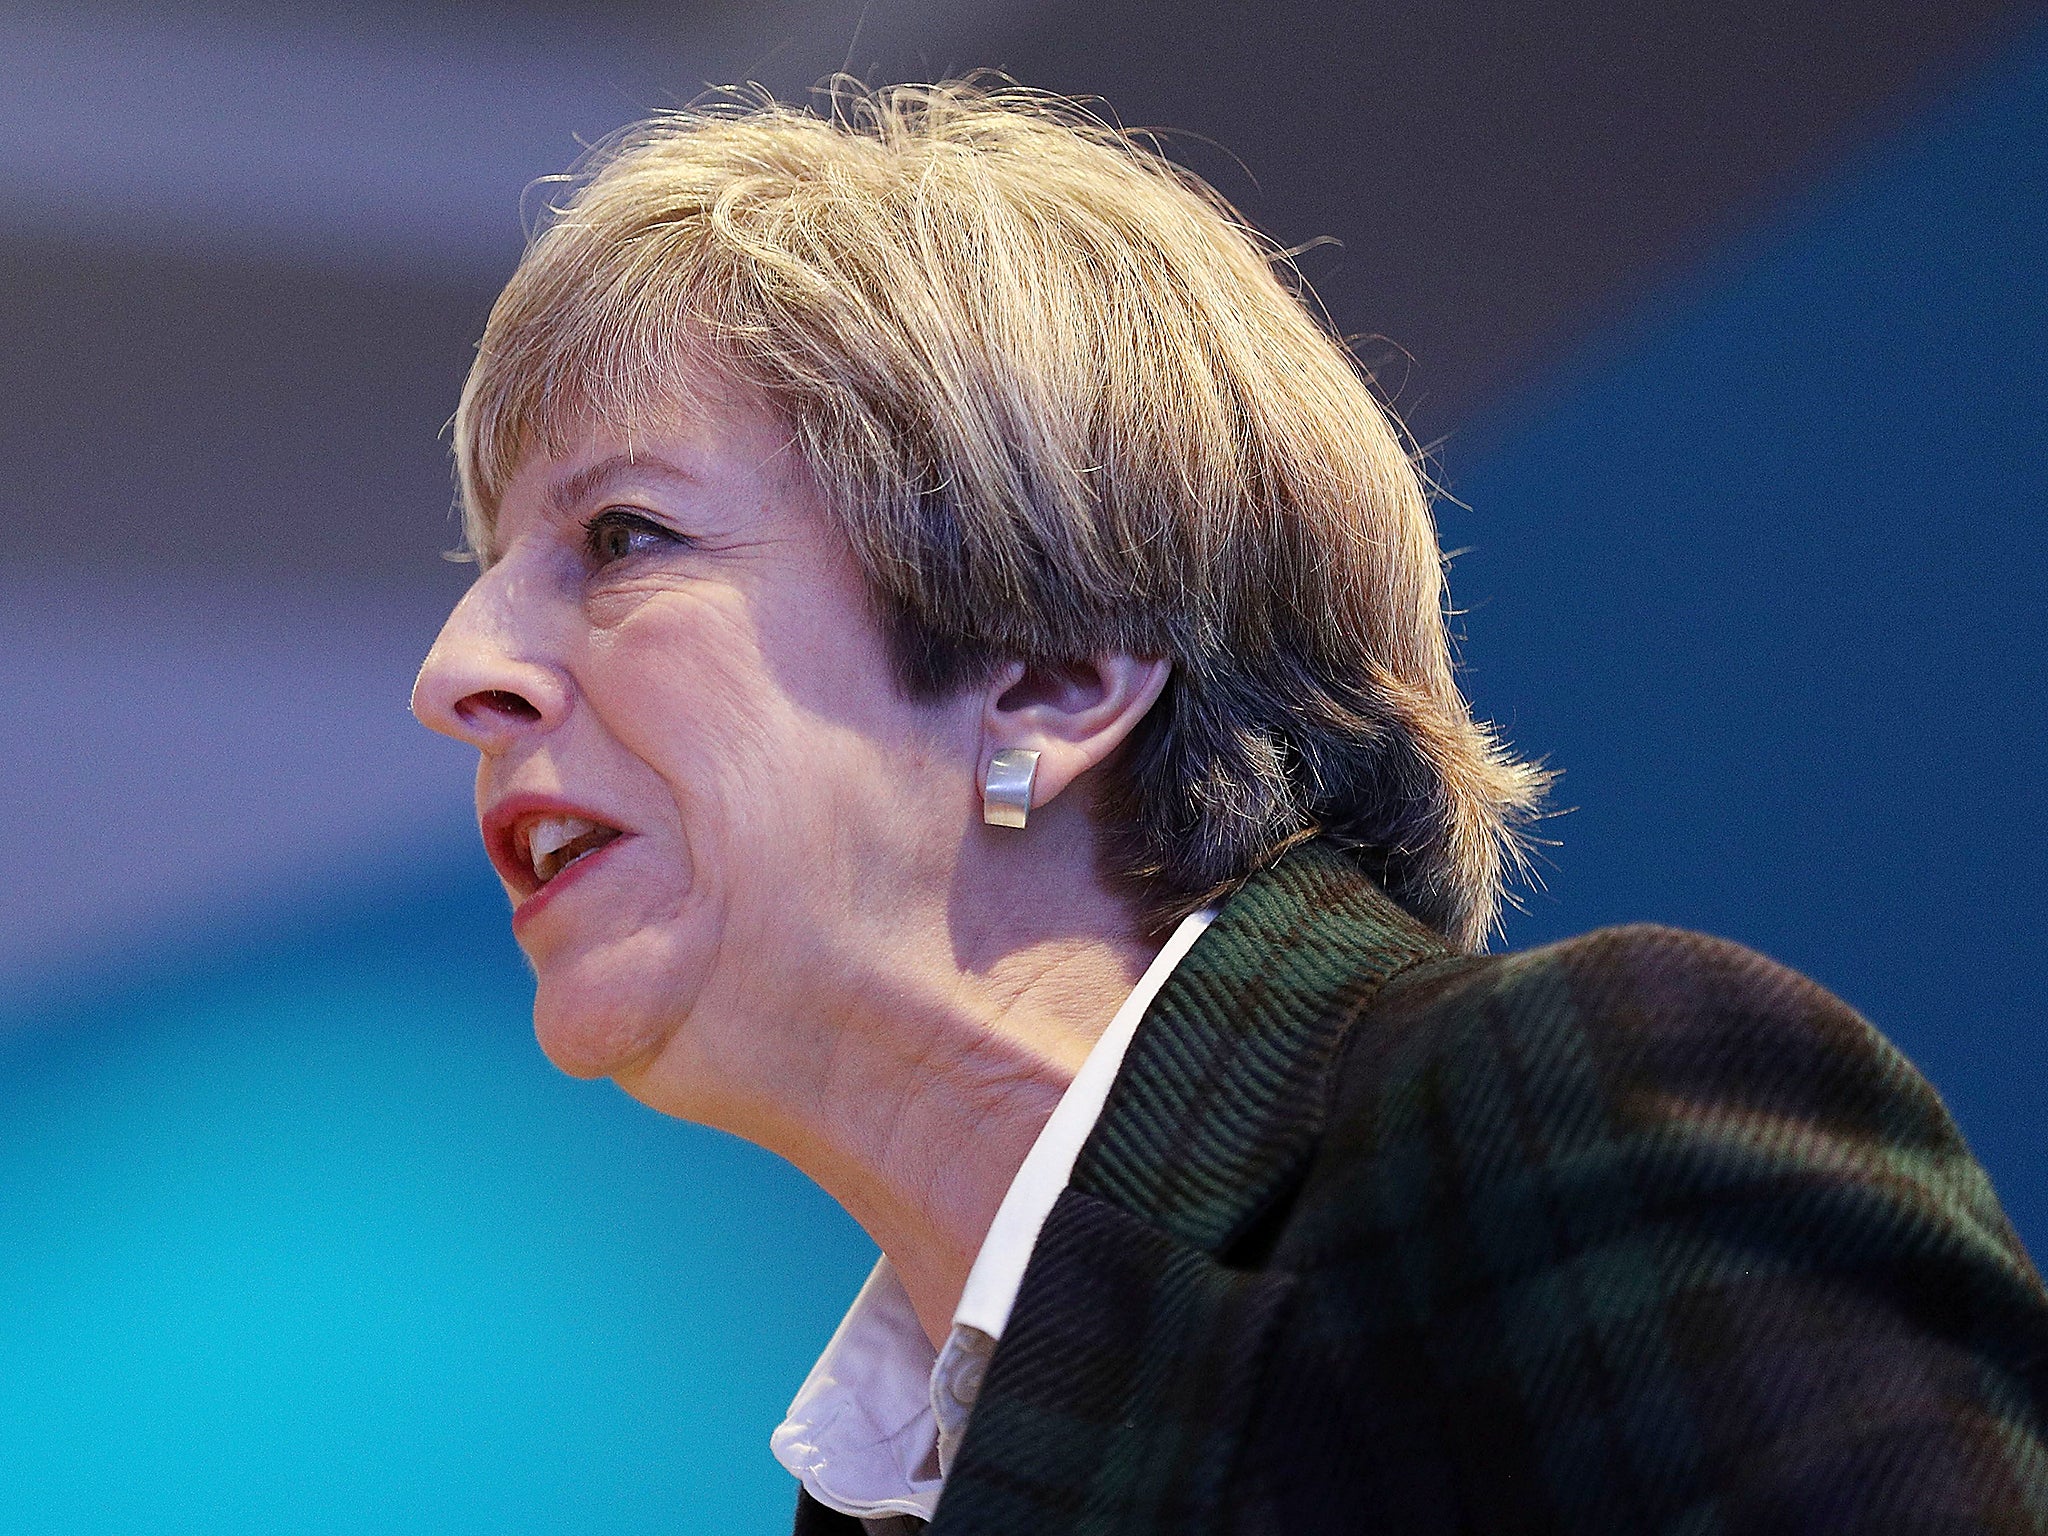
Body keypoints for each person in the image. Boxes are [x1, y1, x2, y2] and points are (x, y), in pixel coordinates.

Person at [408, 81, 2048, 1534]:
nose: (458, 669)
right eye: (489, 575)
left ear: (1050, 675)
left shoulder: (1552, 1125)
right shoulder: (888, 1482)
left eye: (622, 538)